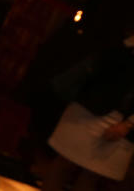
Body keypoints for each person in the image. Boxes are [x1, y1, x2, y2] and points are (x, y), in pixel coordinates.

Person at [43, 31, 134, 190]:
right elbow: (103, 61)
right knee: (64, 162)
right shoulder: (123, 42)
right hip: (90, 106)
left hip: (123, 115)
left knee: (92, 173)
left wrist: (128, 124)